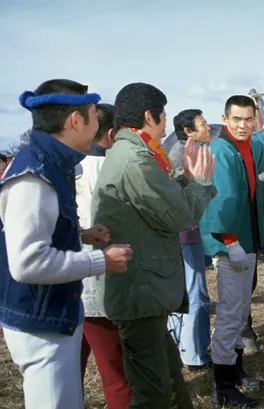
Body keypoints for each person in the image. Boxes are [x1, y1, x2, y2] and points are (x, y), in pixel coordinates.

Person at [0, 79, 133, 409]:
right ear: (75, 120)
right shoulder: (35, 175)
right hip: (41, 324)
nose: (98, 122)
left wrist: (81, 235)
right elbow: (27, 262)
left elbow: (42, 230)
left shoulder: (53, 164)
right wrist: (99, 261)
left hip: (54, 315)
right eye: (93, 114)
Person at [92, 82, 217, 409]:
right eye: (162, 117)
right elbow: (179, 215)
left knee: (170, 379)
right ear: (150, 116)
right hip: (140, 293)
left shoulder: (132, 154)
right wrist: (201, 182)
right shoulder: (135, 159)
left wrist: (187, 180)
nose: (165, 127)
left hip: (145, 291)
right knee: (153, 394)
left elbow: (158, 202)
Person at [200, 96, 264, 407]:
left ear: (255, 119)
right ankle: (223, 387)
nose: (243, 125)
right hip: (231, 244)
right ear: (224, 119)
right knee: (230, 315)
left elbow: (260, 143)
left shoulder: (246, 144)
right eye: (236, 119)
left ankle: (236, 372)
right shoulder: (221, 150)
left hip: (246, 241)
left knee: (240, 312)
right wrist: (230, 242)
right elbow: (218, 203)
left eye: (248, 120)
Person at [76, 103, 132, 408]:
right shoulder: (113, 169)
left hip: (68, 282)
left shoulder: (66, 168)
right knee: (115, 374)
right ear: (111, 134)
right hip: (101, 285)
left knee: (70, 368)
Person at [166, 108, 214, 371]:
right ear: (188, 131)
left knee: (184, 292)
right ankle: (195, 354)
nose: (208, 127)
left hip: (184, 233)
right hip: (187, 233)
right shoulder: (188, 153)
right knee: (196, 292)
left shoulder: (181, 150)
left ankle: (180, 348)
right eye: (203, 123)